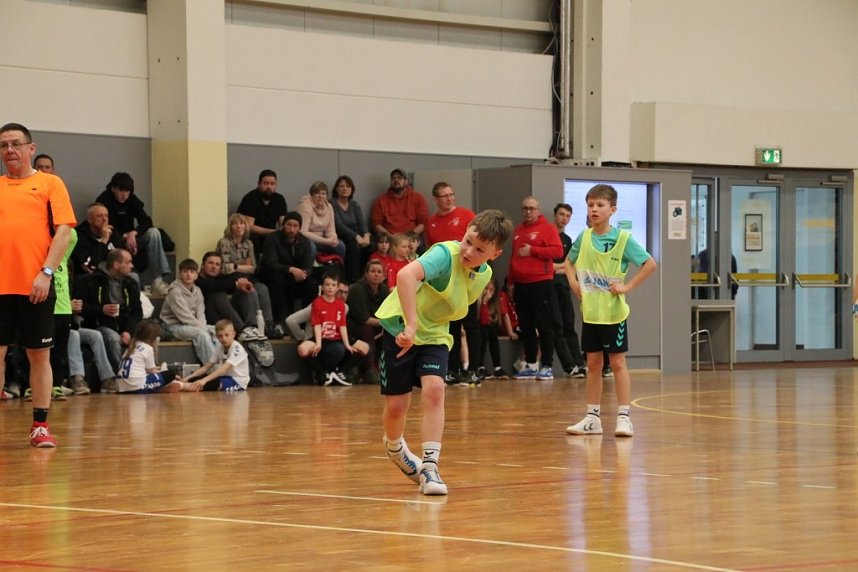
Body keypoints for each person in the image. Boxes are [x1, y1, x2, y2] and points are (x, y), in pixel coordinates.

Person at [375, 209, 513, 496]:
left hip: (435, 334)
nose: (469, 251)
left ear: (495, 254)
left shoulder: (484, 275)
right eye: (468, 241)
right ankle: (395, 447)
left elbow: (453, 306)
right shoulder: (444, 255)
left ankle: (429, 466)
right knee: (397, 406)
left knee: (435, 390)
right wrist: (411, 325)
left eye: (480, 250)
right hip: (400, 327)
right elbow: (405, 276)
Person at [0, 123, 76, 446]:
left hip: (36, 286)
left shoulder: (49, 183)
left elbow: (64, 231)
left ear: (31, 148)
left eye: (16, 144)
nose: (9, 150)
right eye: (4, 145)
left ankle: (40, 426)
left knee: (38, 355)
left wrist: (45, 273)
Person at [564, 184, 657, 438]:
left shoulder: (622, 239)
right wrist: (572, 281)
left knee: (617, 363)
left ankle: (624, 417)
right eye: (590, 205)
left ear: (612, 210)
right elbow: (568, 262)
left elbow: (650, 264)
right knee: (593, 363)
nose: (594, 209)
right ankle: (592, 418)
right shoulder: (583, 237)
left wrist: (627, 286)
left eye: (600, 205)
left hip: (614, 314)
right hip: (591, 313)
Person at [424, 182, 480, 385]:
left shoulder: (466, 215)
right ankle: (453, 369)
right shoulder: (431, 223)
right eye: (444, 195)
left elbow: (481, 246)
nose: (449, 198)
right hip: (447, 281)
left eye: (451, 194)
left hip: (467, 277)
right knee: (452, 325)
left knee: (471, 324)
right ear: (436, 199)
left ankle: (474, 369)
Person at [507, 196, 563, 381]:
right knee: (526, 325)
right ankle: (531, 364)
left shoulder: (548, 228)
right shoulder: (518, 230)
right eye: (525, 208)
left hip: (541, 282)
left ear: (538, 210)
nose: (528, 211)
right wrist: (511, 282)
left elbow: (557, 251)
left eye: (531, 208)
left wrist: (533, 250)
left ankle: (547, 365)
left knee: (545, 325)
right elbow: (514, 257)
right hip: (521, 284)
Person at [95, 172, 171, 295]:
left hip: (132, 238)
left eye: (127, 191)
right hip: (113, 240)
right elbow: (104, 226)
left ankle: (157, 280)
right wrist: (124, 237)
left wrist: (133, 233)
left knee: (154, 232)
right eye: (121, 190)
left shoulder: (132, 199)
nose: (124, 195)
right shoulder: (104, 200)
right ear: (113, 189)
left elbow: (147, 221)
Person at [75, 248, 142, 387]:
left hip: (124, 326)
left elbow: (137, 312)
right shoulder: (91, 281)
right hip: (99, 325)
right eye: (128, 262)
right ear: (116, 265)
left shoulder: (131, 283)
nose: (132, 266)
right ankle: (121, 377)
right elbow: (81, 307)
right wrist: (101, 309)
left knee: (150, 333)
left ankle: (146, 374)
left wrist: (129, 331)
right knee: (112, 338)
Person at [215, 213, 280, 339]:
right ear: (230, 227)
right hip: (230, 279)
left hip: (247, 277)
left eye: (242, 223)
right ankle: (253, 325)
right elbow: (225, 268)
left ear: (246, 226)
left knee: (263, 289)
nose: (239, 226)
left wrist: (235, 266)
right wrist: (243, 266)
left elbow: (253, 268)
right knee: (251, 290)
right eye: (235, 224)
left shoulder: (249, 243)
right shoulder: (224, 242)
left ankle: (268, 325)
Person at [259, 211, 317, 322]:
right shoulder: (272, 238)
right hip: (275, 274)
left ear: (299, 228)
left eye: (295, 226)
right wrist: (290, 270)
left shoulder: (304, 242)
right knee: (278, 280)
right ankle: (276, 322)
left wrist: (303, 273)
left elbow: (308, 266)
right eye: (289, 225)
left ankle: (306, 322)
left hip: (295, 277)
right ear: (283, 225)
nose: (291, 229)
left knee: (312, 284)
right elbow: (270, 263)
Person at [301, 273, 358, 386]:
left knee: (364, 348)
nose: (330, 287)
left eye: (333, 285)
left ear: (337, 288)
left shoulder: (340, 305)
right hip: (322, 337)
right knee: (302, 349)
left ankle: (339, 372)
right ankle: (322, 372)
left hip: (336, 338)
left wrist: (347, 343)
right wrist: (318, 343)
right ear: (322, 287)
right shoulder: (317, 303)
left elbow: (342, 326)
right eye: (327, 285)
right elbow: (317, 325)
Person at [158, 258, 217, 366]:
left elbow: (200, 313)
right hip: (173, 327)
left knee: (216, 330)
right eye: (185, 271)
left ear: (196, 275)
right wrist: (202, 328)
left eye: (192, 271)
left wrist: (203, 326)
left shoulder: (197, 290)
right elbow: (184, 316)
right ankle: (214, 368)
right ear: (180, 274)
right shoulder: (175, 292)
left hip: (192, 325)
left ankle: (223, 364)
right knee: (201, 334)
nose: (188, 274)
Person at [195, 252, 264, 342]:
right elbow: (212, 286)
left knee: (245, 290)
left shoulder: (221, 279)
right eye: (210, 263)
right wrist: (236, 283)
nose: (214, 267)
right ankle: (242, 330)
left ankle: (251, 328)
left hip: (228, 319)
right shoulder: (196, 279)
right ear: (202, 265)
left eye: (217, 264)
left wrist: (242, 283)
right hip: (210, 320)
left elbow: (230, 281)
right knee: (218, 296)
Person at [552, 203, 587, 378]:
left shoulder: (567, 239)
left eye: (567, 216)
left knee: (569, 325)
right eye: (561, 214)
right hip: (549, 287)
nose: (564, 218)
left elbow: (571, 265)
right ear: (555, 215)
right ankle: (569, 366)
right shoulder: (548, 235)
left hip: (565, 286)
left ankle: (580, 363)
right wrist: (562, 267)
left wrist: (562, 267)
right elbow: (548, 267)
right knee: (557, 326)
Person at [177, 319, 251, 392]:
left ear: (233, 334)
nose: (224, 339)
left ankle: (183, 386)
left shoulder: (237, 349)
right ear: (217, 336)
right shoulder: (220, 348)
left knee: (213, 383)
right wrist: (188, 377)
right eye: (220, 336)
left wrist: (204, 380)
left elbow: (223, 369)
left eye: (227, 335)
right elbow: (206, 367)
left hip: (237, 381)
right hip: (224, 377)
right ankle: (182, 383)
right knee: (200, 378)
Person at [346, 259, 389, 383]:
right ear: (366, 274)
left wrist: (388, 325)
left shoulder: (384, 290)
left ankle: (386, 368)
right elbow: (363, 318)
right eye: (373, 271)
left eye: (379, 272)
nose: (376, 274)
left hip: (375, 323)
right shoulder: (357, 289)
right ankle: (369, 369)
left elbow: (388, 312)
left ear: (384, 275)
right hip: (354, 325)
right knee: (367, 330)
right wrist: (384, 324)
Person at [116, 320, 182, 393]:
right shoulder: (147, 348)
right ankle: (161, 388)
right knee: (170, 374)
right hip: (135, 387)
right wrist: (169, 375)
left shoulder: (131, 347)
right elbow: (152, 371)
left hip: (121, 387)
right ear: (152, 337)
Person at [237, 169, 288, 256]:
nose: (269, 187)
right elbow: (249, 226)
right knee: (254, 238)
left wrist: (284, 231)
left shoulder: (279, 199)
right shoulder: (250, 198)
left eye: (272, 184)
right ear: (258, 184)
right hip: (252, 235)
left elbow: (283, 222)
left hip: (271, 235)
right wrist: (273, 232)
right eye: (266, 183)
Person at [331, 175, 372, 283]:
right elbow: (338, 225)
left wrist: (366, 235)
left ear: (352, 189)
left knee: (371, 246)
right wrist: (356, 236)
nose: (345, 188)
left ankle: (367, 277)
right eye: (342, 186)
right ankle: (353, 281)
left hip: (356, 234)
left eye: (348, 186)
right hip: (341, 235)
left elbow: (361, 222)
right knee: (354, 247)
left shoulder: (354, 204)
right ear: (336, 189)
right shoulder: (332, 204)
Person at [370, 168, 429, 240]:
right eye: (393, 178)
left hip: (411, 238)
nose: (396, 180)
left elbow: (423, 223)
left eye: (399, 178)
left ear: (406, 181)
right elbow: (376, 224)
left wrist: (410, 237)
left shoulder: (417, 198)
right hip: (389, 239)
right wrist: (391, 238)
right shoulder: (380, 200)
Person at [296, 181, 346, 260]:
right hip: (306, 240)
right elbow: (303, 232)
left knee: (340, 245)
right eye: (317, 193)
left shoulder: (329, 207)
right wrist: (326, 241)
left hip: (323, 240)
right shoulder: (305, 206)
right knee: (311, 247)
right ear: (311, 195)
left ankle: (338, 267)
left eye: (323, 194)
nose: (320, 196)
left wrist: (333, 239)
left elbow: (331, 230)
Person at [71, 203, 122, 278]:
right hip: (89, 277)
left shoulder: (114, 234)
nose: (104, 219)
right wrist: (104, 241)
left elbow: (122, 259)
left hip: (114, 273)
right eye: (99, 216)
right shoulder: (79, 237)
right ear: (89, 220)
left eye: (106, 216)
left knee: (133, 276)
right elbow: (90, 266)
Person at [476, 278, 510, 380]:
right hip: (478, 329)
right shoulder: (478, 302)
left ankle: (497, 367)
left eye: (491, 289)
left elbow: (496, 321)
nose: (488, 292)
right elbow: (482, 321)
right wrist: (484, 302)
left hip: (490, 330)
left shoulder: (496, 303)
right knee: (484, 331)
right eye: (486, 288)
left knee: (492, 331)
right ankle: (480, 366)